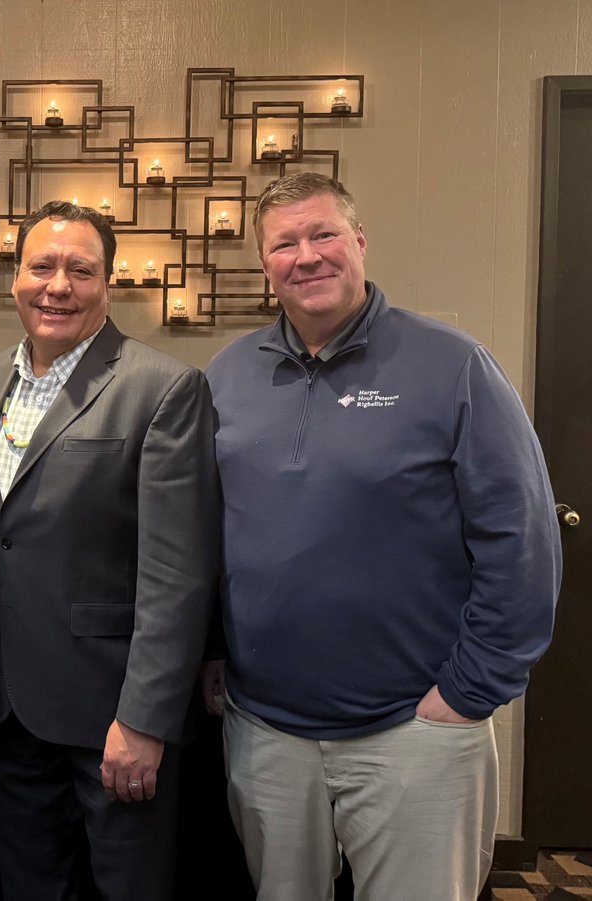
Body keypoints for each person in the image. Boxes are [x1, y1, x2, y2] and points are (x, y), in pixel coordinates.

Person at [202, 171, 562, 901]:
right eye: (285, 243)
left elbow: (521, 541)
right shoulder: (226, 377)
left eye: (324, 234)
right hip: (266, 729)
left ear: (360, 243)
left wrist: (468, 691)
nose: (307, 255)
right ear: (264, 264)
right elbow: (204, 533)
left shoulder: (452, 365)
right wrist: (212, 649)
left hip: (414, 729)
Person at [0, 200, 220, 900]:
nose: (58, 285)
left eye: (80, 270)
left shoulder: (163, 387)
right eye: (40, 266)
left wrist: (144, 718)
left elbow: (178, 574)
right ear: (14, 278)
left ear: (108, 283)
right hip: (9, 711)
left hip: (112, 716)